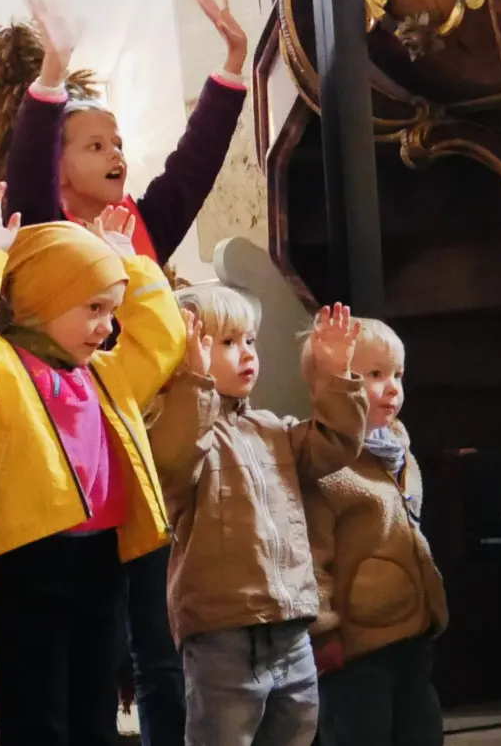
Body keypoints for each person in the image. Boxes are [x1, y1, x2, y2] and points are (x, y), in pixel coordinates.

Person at [0, 0, 249, 745]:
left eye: (119, 143)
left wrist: (231, 69)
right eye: (96, 144)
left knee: (158, 649)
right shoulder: (41, 235)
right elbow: (26, 163)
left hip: (149, 474)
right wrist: (54, 66)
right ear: (58, 166)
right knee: (91, 667)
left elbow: (192, 169)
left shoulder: (138, 226)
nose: (117, 155)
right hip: (71, 497)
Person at [0, 188, 185, 746]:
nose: (107, 327)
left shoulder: (106, 375)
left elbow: (165, 341)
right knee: (38, 712)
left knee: (95, 711)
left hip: (99, 557)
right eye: (93, 308)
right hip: (29, 559)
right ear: (43, 298)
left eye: (111, 312)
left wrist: (128, 263)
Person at [148, 287, 365, 746]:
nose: (246, 353)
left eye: (249, 341)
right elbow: (171, 464)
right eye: (226, 343)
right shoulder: (177, 426)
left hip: (290, 629)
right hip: (222, 637)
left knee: (296, 734)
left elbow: (334, 443)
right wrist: (194, 385)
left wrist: (337, 375)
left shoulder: (272, 428)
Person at [305, 319, 448, 746]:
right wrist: (324, 632)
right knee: (360, 732)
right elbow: (312, 559)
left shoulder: (398, 447)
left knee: (421, 730)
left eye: (397, 375)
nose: (392, 388)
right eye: (374, 375)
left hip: (411, 631)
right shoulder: (324, 465)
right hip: (356, 647)